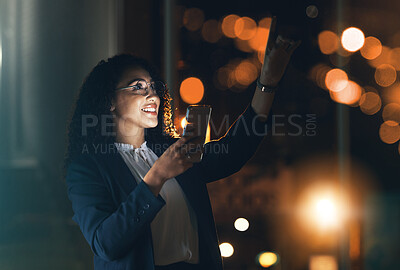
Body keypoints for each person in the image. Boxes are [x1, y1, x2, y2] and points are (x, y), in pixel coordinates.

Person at [64, 17, 300, 270]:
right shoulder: (88, 168)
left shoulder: (171, 151)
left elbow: (234, 151)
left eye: (153, 87)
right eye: (138, 87)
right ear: (109, 100)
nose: (152, 95)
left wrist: (267, 83)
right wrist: (157, 176)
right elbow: (106, 244)